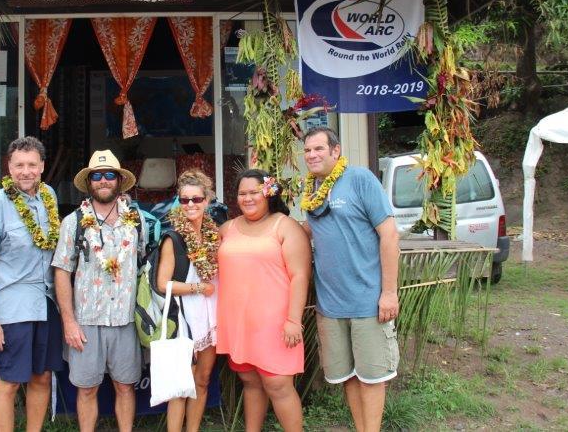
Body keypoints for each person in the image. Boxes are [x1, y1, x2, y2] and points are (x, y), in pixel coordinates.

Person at [301, 127, 400, 432]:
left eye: (319, 148)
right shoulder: (312, 191)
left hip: (367, 301)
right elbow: (310, 233)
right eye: (307, 150)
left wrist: (388, 293)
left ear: (336, 151)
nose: (312, 155)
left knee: (372, 378)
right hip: (330, 306)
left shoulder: (359, 179)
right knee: (349, 377)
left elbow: (389, 235)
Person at [0, 136, 63, 432]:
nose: (26, 171)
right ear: (9, 167)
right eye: (19, 165)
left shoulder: (49, 197)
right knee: (8, 382)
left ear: (42, 167)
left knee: (42, 377)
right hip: (12, 307)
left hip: (45, 303)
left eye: (32, 165)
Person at [52, 150, 145, 432]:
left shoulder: (136, 220)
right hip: (86, 322)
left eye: (109, 175)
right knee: (87, 389)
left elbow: (142, 264)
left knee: (125, 386)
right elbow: (61, 271)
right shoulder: (74, 221)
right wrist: (69, 321)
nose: (103, 180)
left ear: (119, 181)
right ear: (89, 182)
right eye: (97, 175)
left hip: (125, 320)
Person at [216, 169, 312, 432]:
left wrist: (294, 319)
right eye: (242, 193)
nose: (247, 198)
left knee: (278, 384)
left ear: (268, 193)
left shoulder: (285, 226)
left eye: (254, 192)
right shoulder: (228, 228)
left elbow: (300, 275)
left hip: (276, 323)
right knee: (250, 381)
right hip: (239, 322)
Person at [155, 169, 220, 432]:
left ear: (207, 201)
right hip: (183, 317)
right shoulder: (173, 237)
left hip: (210, 315)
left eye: (196, 199)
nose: (190, 205)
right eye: (184, 200)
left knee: (202, 380)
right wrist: (196, 287)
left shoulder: (215, 234)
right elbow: (163, 284)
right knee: (180, 386)